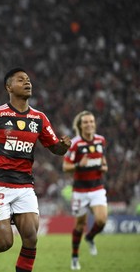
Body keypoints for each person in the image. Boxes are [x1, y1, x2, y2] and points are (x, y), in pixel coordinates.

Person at [0, 68, 71, 272]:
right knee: (4, 244)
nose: (27, 82)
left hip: (24, 185)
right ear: (9, 87)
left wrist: (63, 145)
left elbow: (55, 149)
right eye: (21, 80)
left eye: (29, 80)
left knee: (31, 238)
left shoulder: (39, 118)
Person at [62, 110, 108, 270]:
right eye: (86, 122)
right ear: (80, 126)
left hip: (97, 188)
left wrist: (104, 166)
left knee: (101, 220)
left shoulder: (101, 140)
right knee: (79, 225)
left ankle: (90, 237)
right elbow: (65, 166)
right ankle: (75, 257)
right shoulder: (75, 144)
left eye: (91, 121)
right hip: (79, 192)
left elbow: (103, 159)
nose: (89, 124)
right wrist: (77, 165)